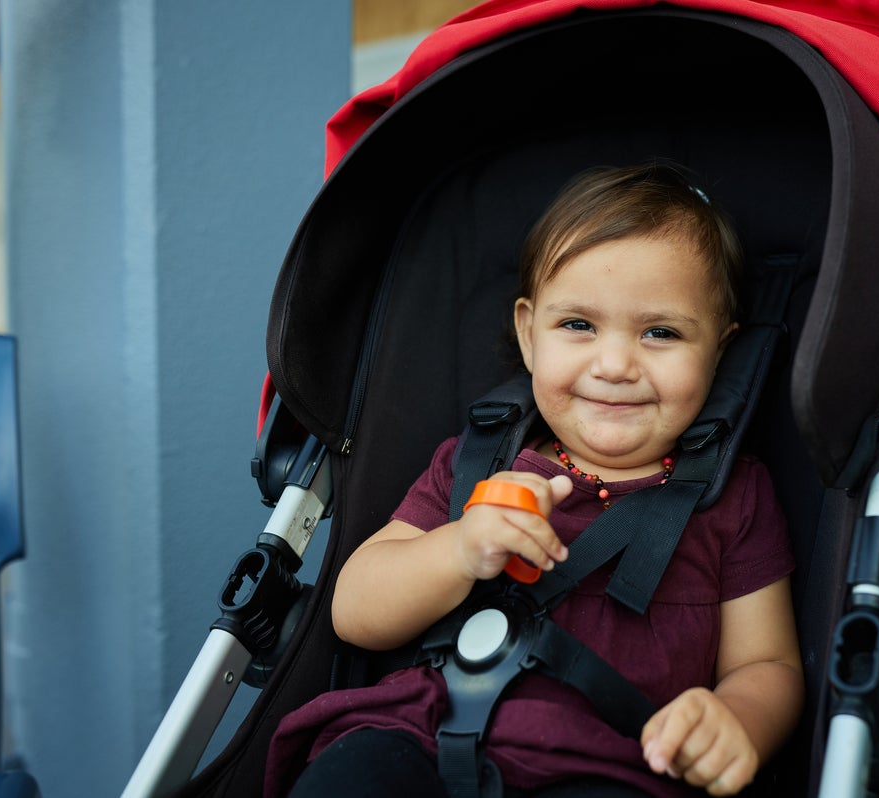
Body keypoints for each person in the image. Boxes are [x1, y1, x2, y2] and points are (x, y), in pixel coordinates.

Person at [266, 163, 803, 797]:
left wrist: (737, 718)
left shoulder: (731, 498)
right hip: (414, 737)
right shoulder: (475, 466)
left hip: (612, 767)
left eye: (661, 333)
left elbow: (766, 663)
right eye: (578, 325)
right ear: (528, 333)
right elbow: (354, 612)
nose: (614, 364)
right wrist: (459, 548)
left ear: (718, 350)